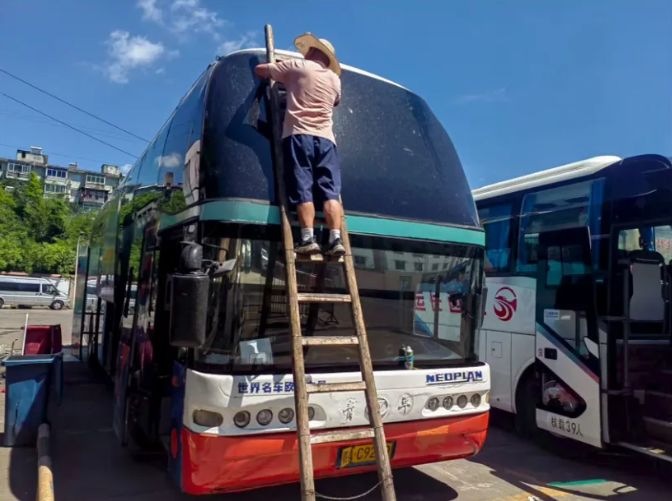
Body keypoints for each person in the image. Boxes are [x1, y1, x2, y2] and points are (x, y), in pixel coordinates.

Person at [255, 33, 345, 257]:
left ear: (312, 51)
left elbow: (260, 70)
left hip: (299, 135)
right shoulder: (335, 79)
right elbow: (336, 101)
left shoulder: (298, 66)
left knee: (303, 187)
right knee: (330, 193)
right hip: (327, 141)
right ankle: (335, 239)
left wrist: (282, 72)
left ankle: (307, 238)